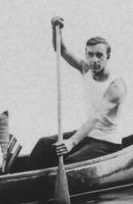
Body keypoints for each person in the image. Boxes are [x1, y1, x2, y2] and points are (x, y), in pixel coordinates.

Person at [29, 16, 127, 168]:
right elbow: (61, 49)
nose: (94, 60)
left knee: (71, 163)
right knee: (44, 144)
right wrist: (56, 29)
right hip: (88, 135)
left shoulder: (116, 86)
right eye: (90, 54)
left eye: (99, 55)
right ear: (86, 54)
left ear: (108, 56)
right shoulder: (85, 69)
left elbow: (96, 117)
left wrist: (72, 142)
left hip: (108, 143)